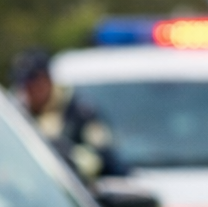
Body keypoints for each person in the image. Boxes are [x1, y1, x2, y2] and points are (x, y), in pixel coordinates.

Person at [10, 49, 125, 183]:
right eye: (25, 85)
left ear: (47, 80)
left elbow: (105, 159)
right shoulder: (15, 112)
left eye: (34, 83)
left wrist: (68, 154)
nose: (30, 91)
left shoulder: (79, 112)